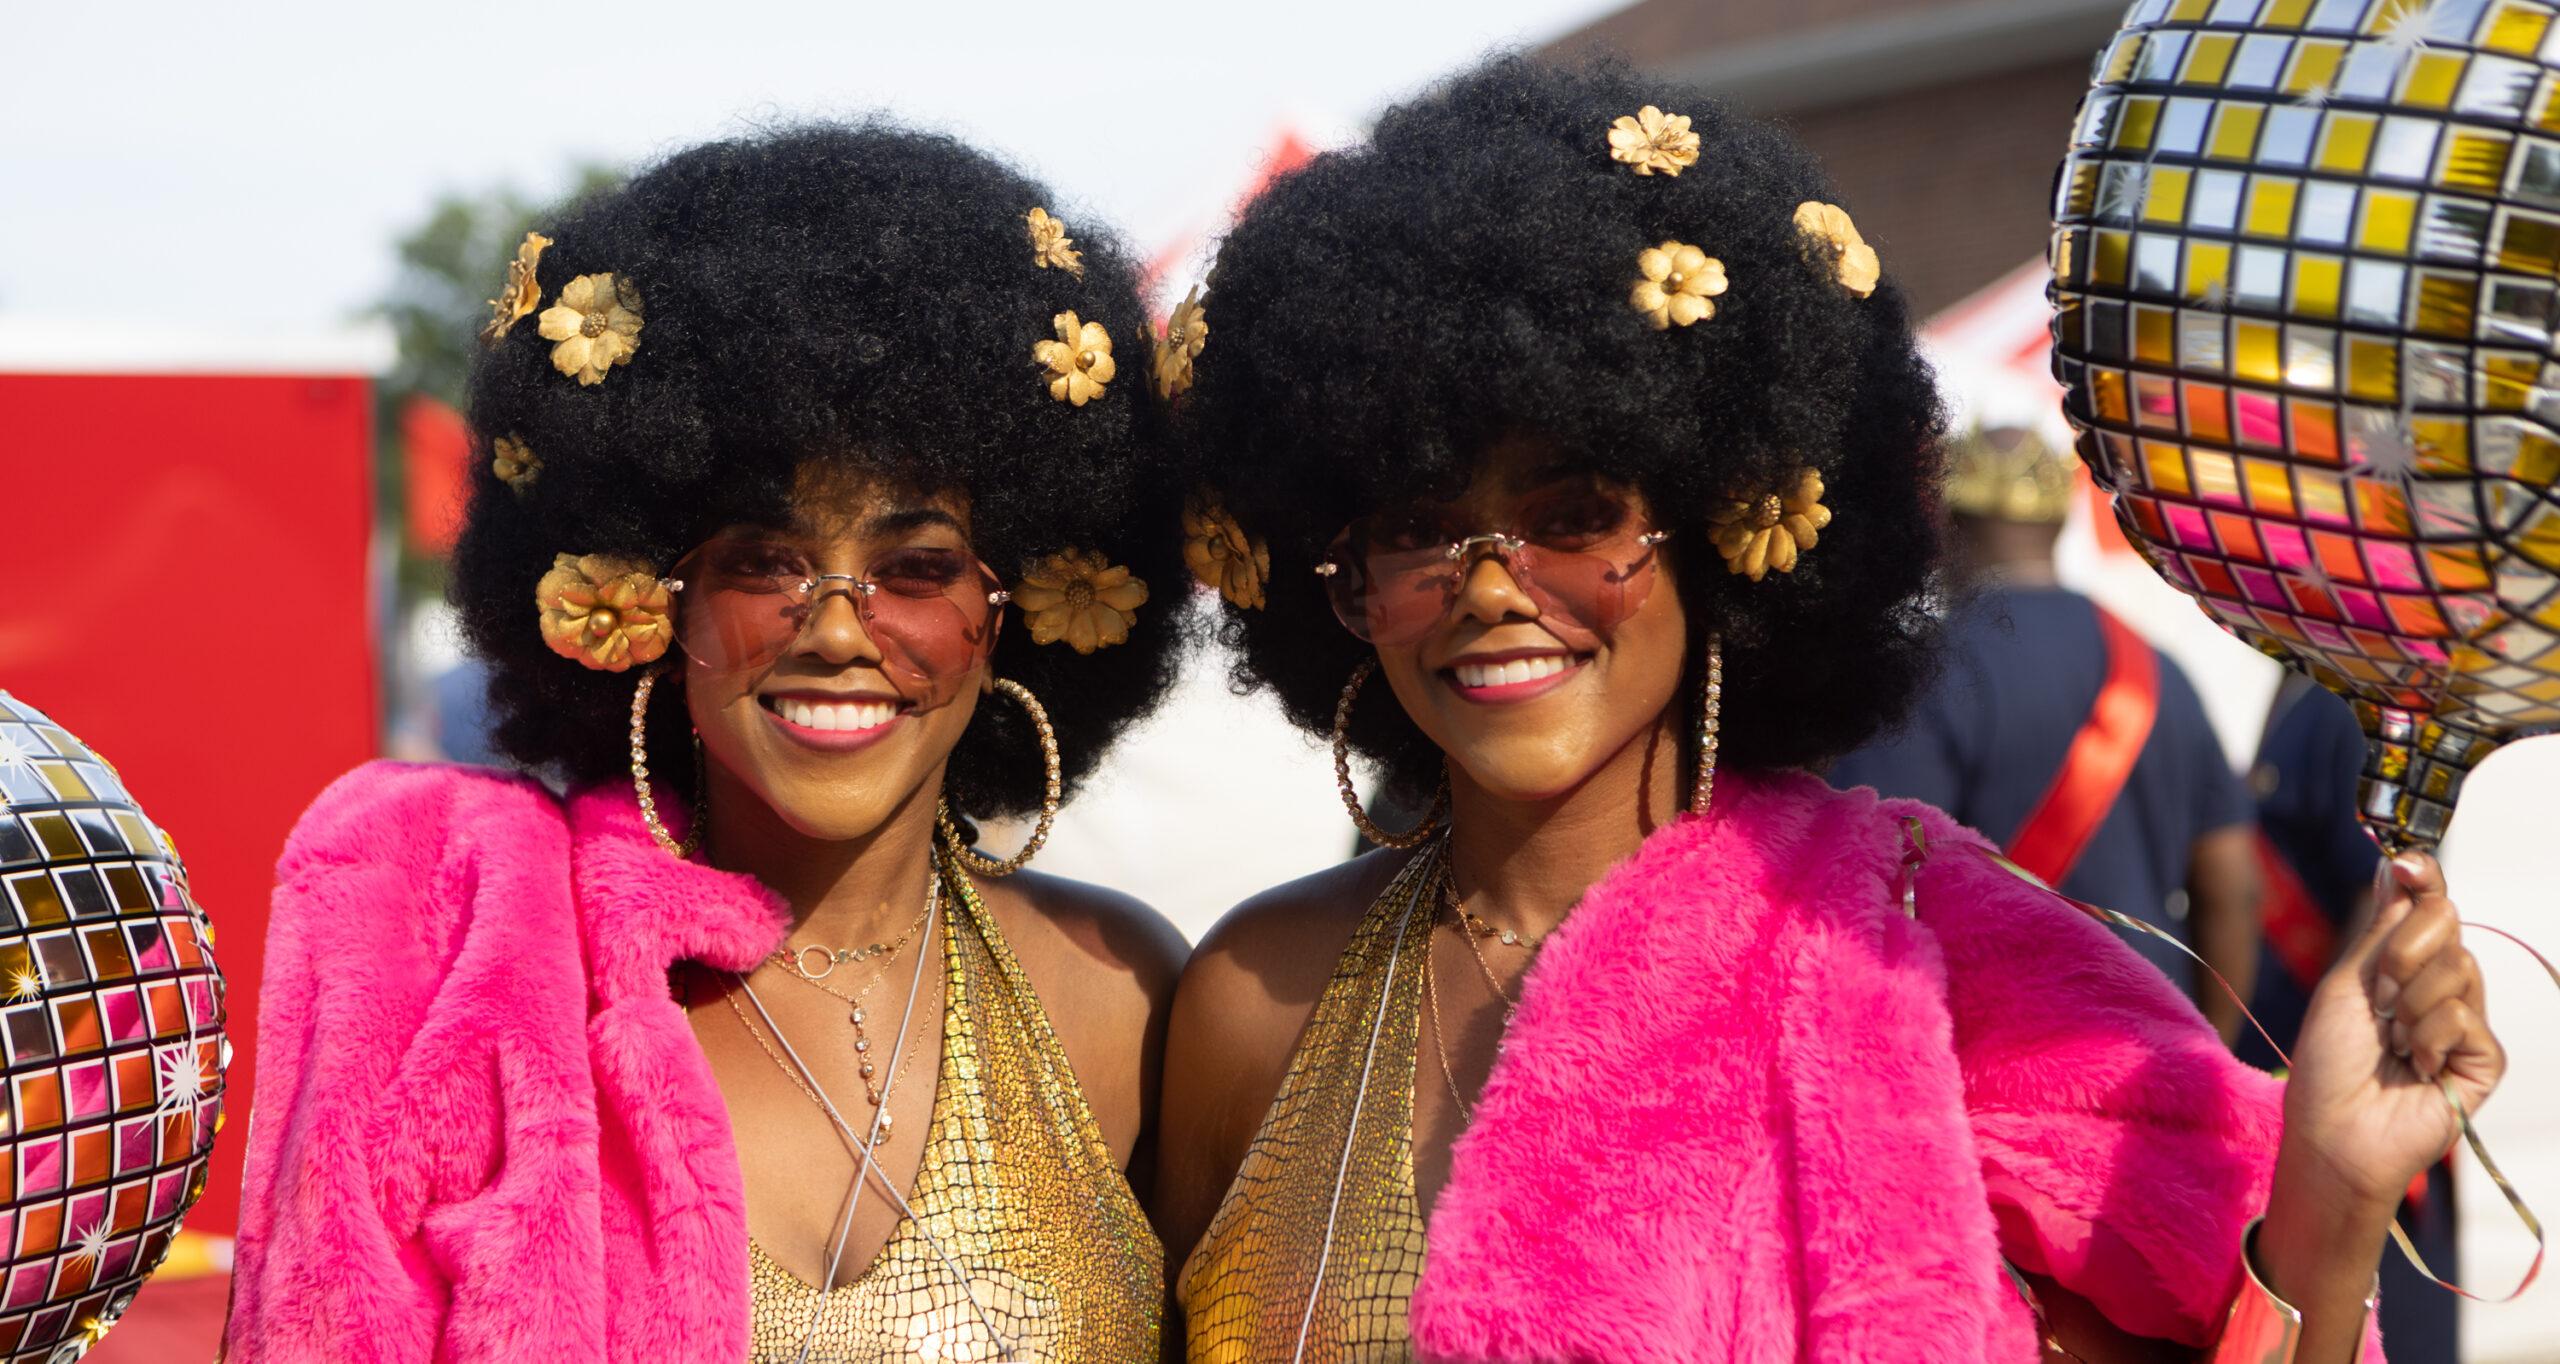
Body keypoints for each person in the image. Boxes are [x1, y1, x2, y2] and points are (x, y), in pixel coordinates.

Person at [1154, 57, 2501, 1363]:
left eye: (1576, 518)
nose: (1494, 588)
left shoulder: (1931, 961)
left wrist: (2325, 1193)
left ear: (1724, 529)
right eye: (1421, 531)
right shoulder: (1246, 1003)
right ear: (1343, 579)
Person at [222, 124, 1190, 1363]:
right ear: (651, 600)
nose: (838, 628)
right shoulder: (480, 972)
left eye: (914, 567)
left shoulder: (1123, 995)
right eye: (764, 562)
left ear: (1012, 611)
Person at [1828, 423, 2263, 1040]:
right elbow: (2232, 889)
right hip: (2156, 1053)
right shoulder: (2161, 670)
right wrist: (2207, 1048)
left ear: (1945, 528)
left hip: (1997, 1057)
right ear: (2059, 525)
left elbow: (1874, 887)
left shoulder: (1921, 673)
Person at [2247, 676, 2459, 1362]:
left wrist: (2319, 1081)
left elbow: (2381, 902)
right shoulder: (2310, 690)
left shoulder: (2356, 705)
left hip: (2351, 1101)